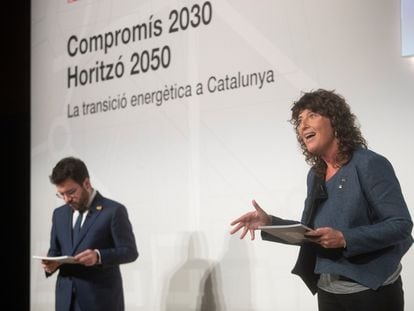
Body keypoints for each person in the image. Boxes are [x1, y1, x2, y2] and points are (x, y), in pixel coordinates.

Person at [230, 89, 413, 311]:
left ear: (335, 121)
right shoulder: (315, 175)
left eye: (312, 115)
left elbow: (401, 225)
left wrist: (345, 238)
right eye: (299, 120)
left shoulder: (368, 164)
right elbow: (309, 233)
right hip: (328, 290)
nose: (303, 125)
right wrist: (269, 222)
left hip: (371, 291)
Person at [42, 157, 138, 311]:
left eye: (71, 192)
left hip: (100, 302)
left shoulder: (113, 211)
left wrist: (98, 256)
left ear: (86, 183)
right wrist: (51, 264)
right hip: (65, 301)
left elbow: (130, 252)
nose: (66, 200)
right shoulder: (58, 214)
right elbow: (55, 250)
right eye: (61, 194)